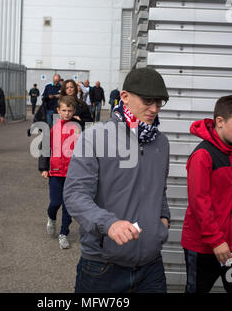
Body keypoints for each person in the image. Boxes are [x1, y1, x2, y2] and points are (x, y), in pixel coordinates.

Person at [64, 67, 171, 293]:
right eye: (148, 100)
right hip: (102, 268)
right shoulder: (94, 138)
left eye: (159, 102)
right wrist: (109, 223)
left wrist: (163, 219)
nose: (154, 109)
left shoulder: (161, 142)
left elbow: (159, 190)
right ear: (125, 97)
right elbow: (75, 195)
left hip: (151, 267)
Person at [181, 95, 232, 293]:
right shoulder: (202, 155)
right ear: (220, 122)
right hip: (203, 247)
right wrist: (216, 241)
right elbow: (199, 203)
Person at [39, 96, 81, 249]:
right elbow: (44, 148)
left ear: (74, 111)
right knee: (55, 202)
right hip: (56, 172)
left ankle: (64, 233)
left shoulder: (78, 127)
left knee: (68, 205)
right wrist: (43, 168)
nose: (67, 113)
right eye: (64, 110)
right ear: (58, 111)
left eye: (70, 110)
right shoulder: (52, 127)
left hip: (72, 173)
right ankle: (51, 217)